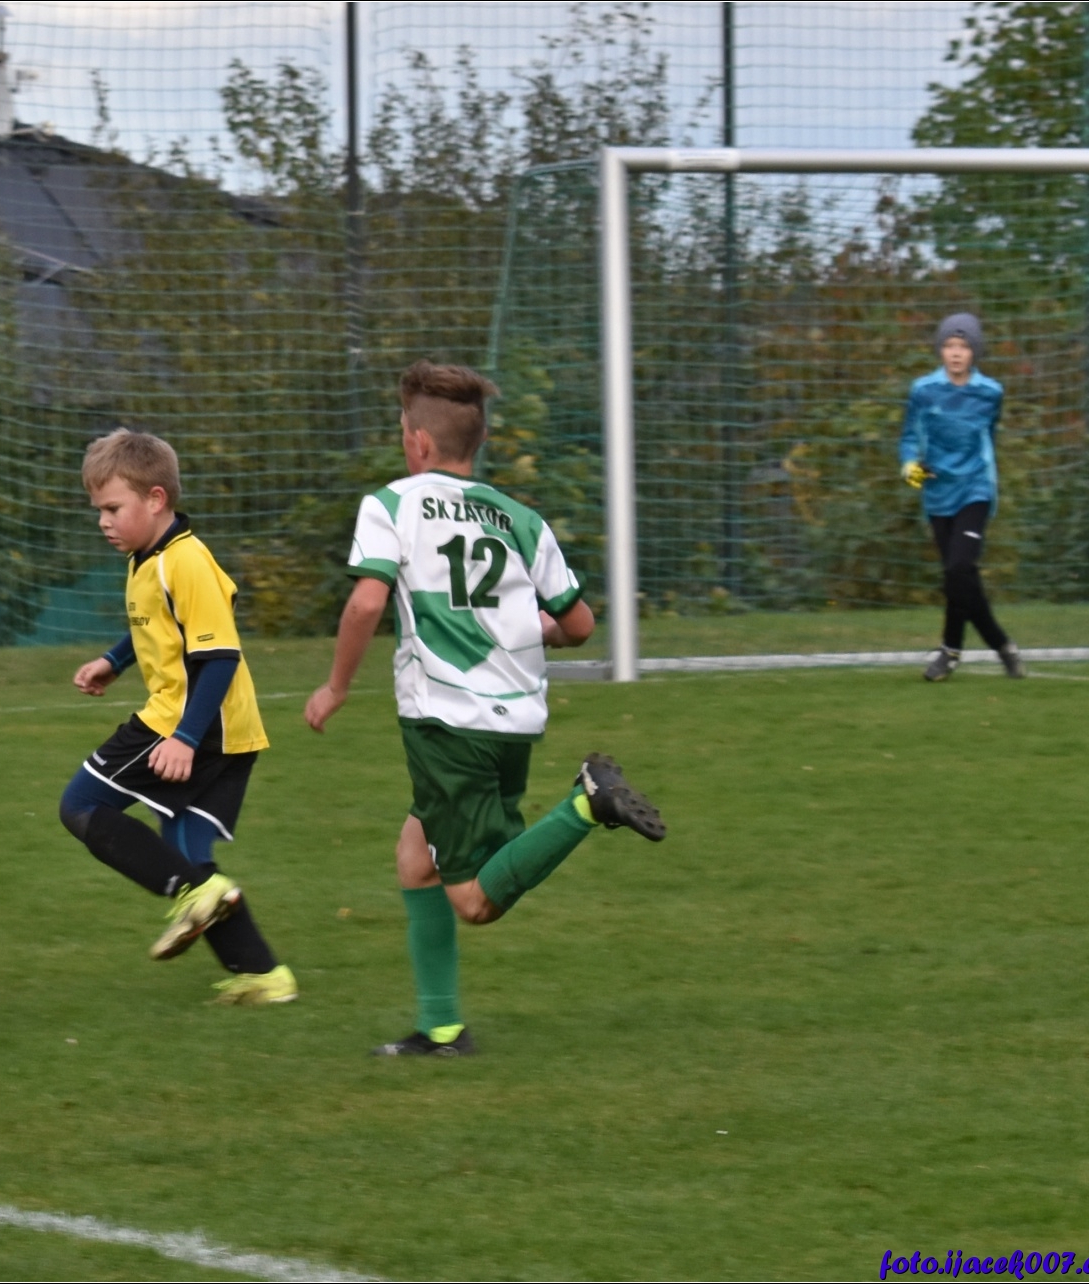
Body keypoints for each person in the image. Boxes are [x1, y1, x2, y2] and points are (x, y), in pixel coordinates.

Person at [304, 360, 663, 1057]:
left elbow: (367, 603)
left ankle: (587, 805)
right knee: (417, 856)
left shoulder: (393, 505)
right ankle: (441, 1030)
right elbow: (580, 624)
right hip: (515, 720)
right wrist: (528, 628)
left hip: (446, 720)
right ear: (479, 441)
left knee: (471, 899)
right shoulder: (520, 519)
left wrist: (337, 687)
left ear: (416, 442)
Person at [59, 428, 297, 1005]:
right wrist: (115, 661)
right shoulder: (150, 557)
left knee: (82, 805)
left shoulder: (184, 561)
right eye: (99, 511)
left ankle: (191, 893)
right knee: (189, 851)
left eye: (113, 508)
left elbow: (219, 657)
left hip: (191, 723)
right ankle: (263, 975)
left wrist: (185, 738)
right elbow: (159, 625)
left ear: (156, 498)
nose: (104, 522)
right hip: (222, 728)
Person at [899, 313, 1025, 681]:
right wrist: (911, 468)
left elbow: (990, 436)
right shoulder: (923, 390)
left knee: (958, 568)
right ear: (940, 350)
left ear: (975, 352)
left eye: (964, 346)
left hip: (975, 489)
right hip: (938, 493)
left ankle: (959, 650)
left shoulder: (991, 393)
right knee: (958, 577)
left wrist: (976, 473)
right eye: (950, 345)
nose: (956, 353)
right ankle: (988, 648)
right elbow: (909, 437)